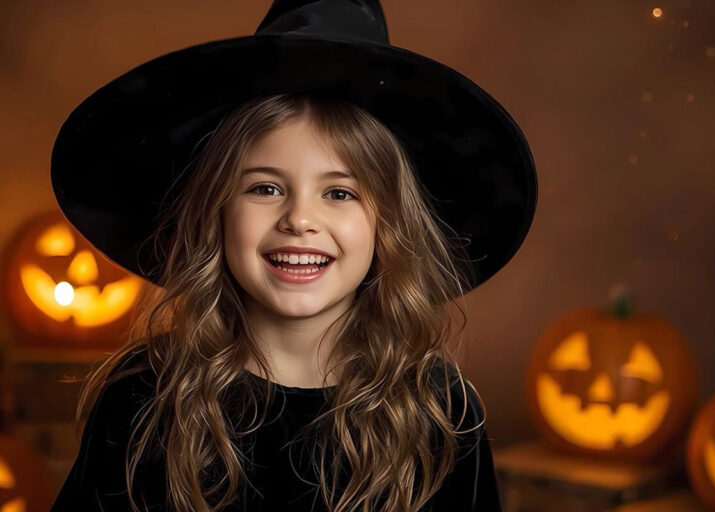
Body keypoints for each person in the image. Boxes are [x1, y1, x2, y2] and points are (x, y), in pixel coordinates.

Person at [49, 1, 537, 511]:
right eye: (264, 188)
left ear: (388, 225)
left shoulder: (442, 413)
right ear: (215, 212)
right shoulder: (143, 395)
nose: (299, 219)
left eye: (340, 193)